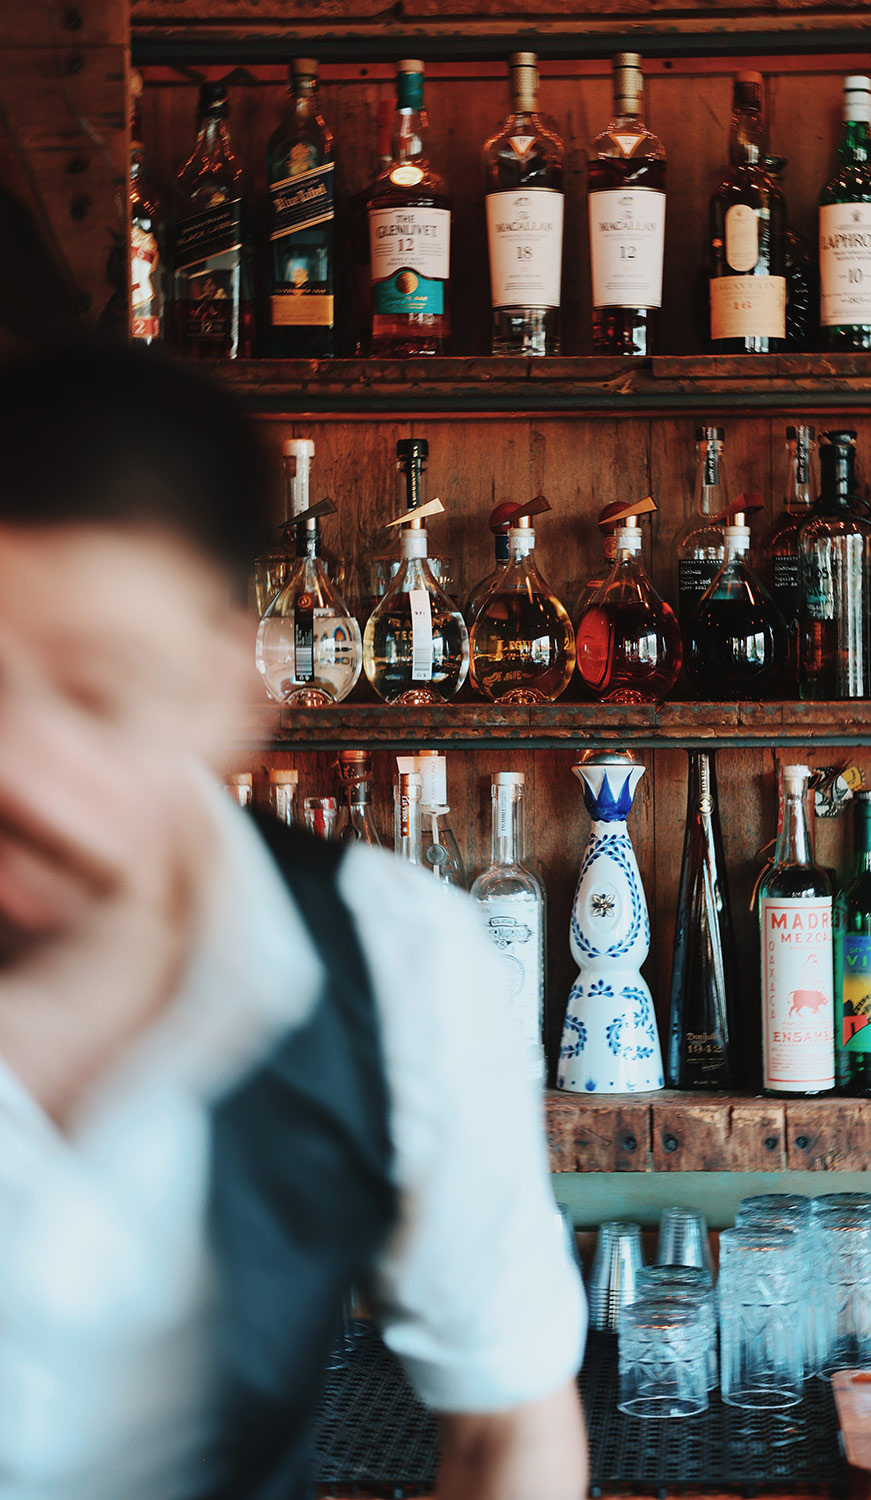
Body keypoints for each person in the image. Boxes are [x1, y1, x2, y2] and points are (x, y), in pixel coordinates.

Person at [0, 343, 588, 1500]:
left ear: (231, 692)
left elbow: (508, 1430)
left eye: (99, 692)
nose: (20, 769)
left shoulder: (399, 966)